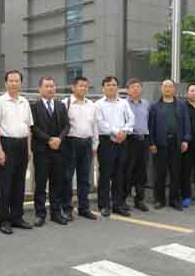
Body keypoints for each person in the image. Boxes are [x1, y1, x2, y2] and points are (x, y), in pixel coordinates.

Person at [0, 69, 34, 234]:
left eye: (17, 81)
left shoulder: (24, 102)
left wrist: (28, 148)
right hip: (6, 144)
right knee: (5, 185)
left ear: (21, 83)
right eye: (11, 81)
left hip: (22, 145)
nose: (14, 83)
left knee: (19, 183)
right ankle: (3, 220)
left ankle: (17, 217)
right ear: (6, 83)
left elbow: (28, 127)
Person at [31, 76, 70, 227]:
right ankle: (40, 214)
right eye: (46, 86)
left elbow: (67, 126)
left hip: (59, 150)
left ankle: (56, 213)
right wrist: (48, 140)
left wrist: (59, 139)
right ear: (40, 89)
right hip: (42, 151)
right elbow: (33, 128)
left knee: (57, 183)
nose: (50, 89)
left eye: (52, 86)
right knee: (40, 183)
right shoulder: (34, 107)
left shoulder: (61, 106)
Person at [148, 79, 191, 211]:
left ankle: (174, 200)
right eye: (165, 86)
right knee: (160, 173)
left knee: (175, 173)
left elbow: (186, 123)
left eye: (170, 86)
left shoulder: (181, 105)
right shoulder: (155, 106)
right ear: (161, 89)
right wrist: (151, 143)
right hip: (160, 144)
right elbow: (150, 126)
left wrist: (186, 140)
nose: (167, 88)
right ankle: (159, 200)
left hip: (176, 143)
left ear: (174, 89)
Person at [95, 76, 135, 217]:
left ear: (117, 87)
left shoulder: (124, 103)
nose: (111, 87)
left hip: (122, 141)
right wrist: (115, 132)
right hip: (106, 142)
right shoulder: (98, 104)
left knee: (120, 174)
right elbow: (100, 123)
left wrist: (124, 131)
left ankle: (118, 204)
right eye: (108, 84)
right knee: (105, 174)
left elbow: (131, 119)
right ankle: (104, 205)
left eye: (114, 84)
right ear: (103, 88)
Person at [61, 76, 97, 221]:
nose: (83, 88)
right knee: (67, 177)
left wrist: (95, 144)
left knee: (84, 178)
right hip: (70, 143)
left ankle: (84, 208)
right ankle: (67, 208)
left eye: (85, 86)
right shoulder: (66, 103)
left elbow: (95, 126)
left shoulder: (91, 105)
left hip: (87, 143)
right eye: (80, 85)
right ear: (73, 87)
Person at [124, 78, 151, 212]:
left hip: (143, 140)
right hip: (129, 140)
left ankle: (139, 199)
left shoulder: (146, 104)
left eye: (138, 87)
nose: (136, 89)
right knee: (127, 170)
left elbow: (149, 122)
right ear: (127, 90)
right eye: (133, 87)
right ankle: (123, 199)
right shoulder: (123, 104)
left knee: (142, 171)